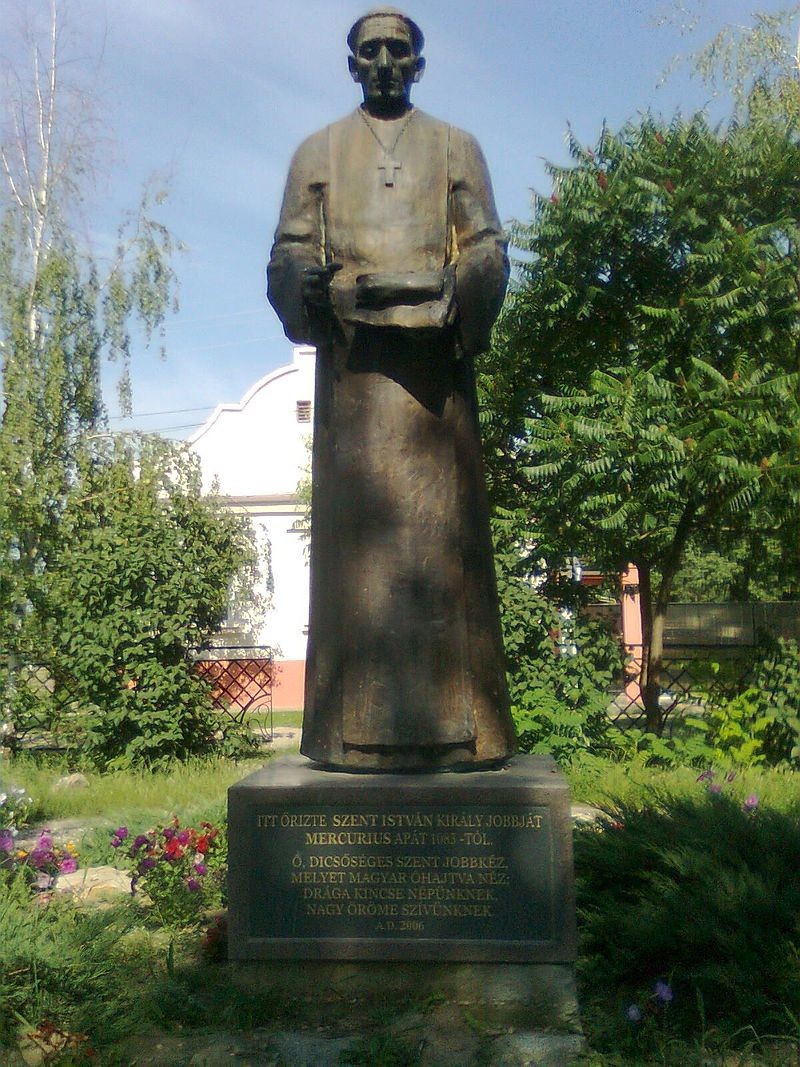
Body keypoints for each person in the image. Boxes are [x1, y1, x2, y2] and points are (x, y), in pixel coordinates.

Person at [268, 7, 516, 771]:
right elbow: (286, 255)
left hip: (436, 396)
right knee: (357, 567)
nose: (383, 62)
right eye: (370, 50)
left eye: (397, 50)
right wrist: (308, 286)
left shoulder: (456, 147)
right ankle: (347, 736)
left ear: (418, 64)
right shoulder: (317, 152)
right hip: (355, 392)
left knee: (447, 556)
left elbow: (488, 247)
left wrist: (454, 290)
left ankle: (467, 731)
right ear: (352, 65)